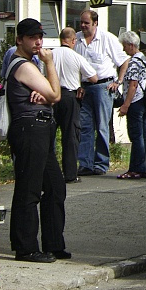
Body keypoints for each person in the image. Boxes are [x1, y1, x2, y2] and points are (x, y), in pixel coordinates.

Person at [6, 18, 68, 263]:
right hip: (29, 129)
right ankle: (26, 248)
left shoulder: (32, 64)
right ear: (19, 40)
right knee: (29, 189)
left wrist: (47, 97)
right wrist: (50, 63)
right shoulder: (23, 65)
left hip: (41, 128)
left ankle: (53, 244)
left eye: (40, 37)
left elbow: (51, 97)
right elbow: (55, 93)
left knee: (55, 186)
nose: (38, 42)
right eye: (32, 37)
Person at [75, 9, 128, 176]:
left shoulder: (107, 38)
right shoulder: (76, 39)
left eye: (86, 23)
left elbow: (124, 60)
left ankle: (101, 163)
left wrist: (118, 82)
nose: (83, 26)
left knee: (102, 126)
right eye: (81, 23)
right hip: (84, 87)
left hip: (103, 87)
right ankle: (85, 163)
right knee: (85, 126)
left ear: (95, 23)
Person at [53, 27, 97, 183]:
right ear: (72, 41)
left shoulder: (51, 54)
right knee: (70, 136)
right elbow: (94, 77)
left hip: (51, 95)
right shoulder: (76, 56)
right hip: (70, 98)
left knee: (49, 136)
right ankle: (70, 174)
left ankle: (49, 173)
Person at [115, 30, 146, 179]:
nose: (123, 49)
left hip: (136, 101)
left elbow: (133, 85)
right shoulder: (144, 59)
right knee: (144, 134)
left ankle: (136, 168)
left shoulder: (133, 62)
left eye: (125, 45)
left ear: (131, 45)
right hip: (144, 101)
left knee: (136, 135)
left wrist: (126, 104)